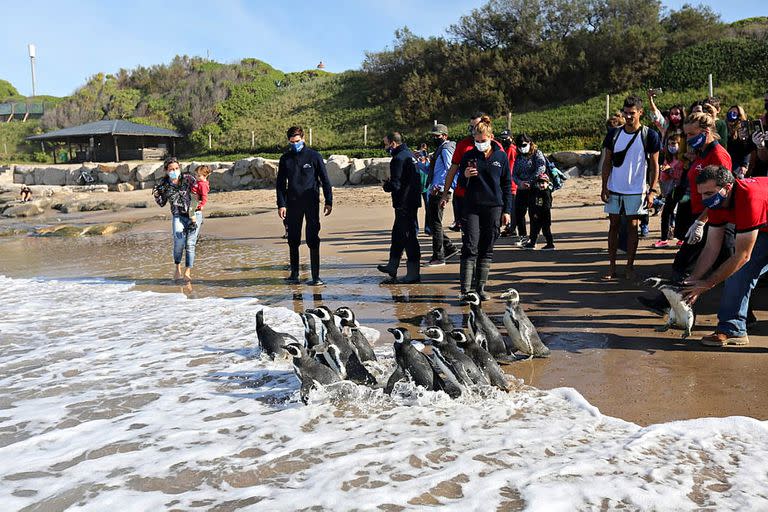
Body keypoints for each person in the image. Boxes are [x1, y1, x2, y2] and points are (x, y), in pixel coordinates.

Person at [683, 166, 768, 346]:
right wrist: (694, 280)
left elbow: (743, 255)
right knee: (737, 272)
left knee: (738, 263)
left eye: (709, 193)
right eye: (702, 194)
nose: (705, 200)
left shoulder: (749, 197)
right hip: (764, 227)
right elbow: (711, 247)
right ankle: (733, 329)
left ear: (727, 187)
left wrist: (708, 283)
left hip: (761, 217)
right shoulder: (717, 202)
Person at [600, 96, 661, 280]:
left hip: (636, 189)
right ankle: (611, 268)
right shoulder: (613, 134)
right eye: (626, 113)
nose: (628, 117)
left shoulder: (649, 135)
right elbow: (607, 162)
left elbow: (655, 166)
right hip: (615, 187)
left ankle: (629, 267)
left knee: (633, 226)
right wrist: (604, 186)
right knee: (613, 226)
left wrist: (652, 191)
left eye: (632, 113)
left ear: (640, 112)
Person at [456, 115, 513, 301]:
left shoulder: (501, 156)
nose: (479, 143)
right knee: (470, 245)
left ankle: (480, 288)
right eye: (476, 141)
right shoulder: (468, 156)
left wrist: (507, 211)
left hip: (494, 206)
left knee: (487, 247)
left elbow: (506, 185)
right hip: (472, 206)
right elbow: (462, 185)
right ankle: (465, 291)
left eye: (483, 140)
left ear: (491, 137)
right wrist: (464, 175)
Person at [276, 126, 333, 286]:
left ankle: (316, 277)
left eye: (298, 141)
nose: (295, 144)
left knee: (312, 238)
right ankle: (294, 274)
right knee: (293, 239)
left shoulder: (314, 156)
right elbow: (280, 184)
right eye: (292, 142)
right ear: (289, 141)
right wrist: (281, 204)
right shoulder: (285, 159)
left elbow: (325, 179)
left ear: (303, 139)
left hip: (311, 202)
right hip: (292, 204)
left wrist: (329, 200)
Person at [439, 112, 501, 231]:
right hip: (464, 196)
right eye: (471, 127)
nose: (473, 130)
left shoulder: (495, 146)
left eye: (475, 126)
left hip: (488, 198)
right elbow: (453, 169)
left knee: (488, 234)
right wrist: (445, 193)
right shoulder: (463, 145)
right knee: (469, 235)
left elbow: (503, 174)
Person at [377, 132, 422, 283]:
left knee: (409, 237)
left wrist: (386, 185)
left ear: (393, 143)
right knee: (397, 234)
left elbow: (396, 185)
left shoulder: (397, 159)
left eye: (385, 144)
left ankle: (413, 273)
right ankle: (392, 265)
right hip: (412, 200)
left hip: (404, 203)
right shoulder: (409, 154)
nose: (385, 147)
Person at [153, 157, 199, 282]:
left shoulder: (189, 179)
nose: (175, 171)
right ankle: (177, 268)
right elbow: (162, 203)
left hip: (194, 215)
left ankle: (188, 272)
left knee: (190, 244)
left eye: (177, 168)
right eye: (171, 169)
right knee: (179, 242)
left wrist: (194, 211)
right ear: (166, 171)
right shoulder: (164, 184)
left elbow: (198, 194)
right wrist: (157, 194)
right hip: (178, 216)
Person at [424, 124, 458, 266]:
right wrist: (419, 163)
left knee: (435, 224)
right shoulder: (440, 149)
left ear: (445, 136)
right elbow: (433, 171)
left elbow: (451, 169)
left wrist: (445, 189)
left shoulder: (445, 149)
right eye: (432, 136)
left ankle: (439, 256)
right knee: (432, 223)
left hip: (439, 191)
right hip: (436, 189)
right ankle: (449, 248)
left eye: (437, 136)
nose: (434, 138)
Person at [511, 133, 546, 245]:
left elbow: (541, 168)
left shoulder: (537, 153)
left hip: (534, 188)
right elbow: (514, 173)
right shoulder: (519, 156)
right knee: (519, 213)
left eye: (524, 144)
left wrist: (530, 181)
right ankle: (523, 237)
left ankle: (533, 237)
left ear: (530, 143)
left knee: (533, 214)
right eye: (519, 145)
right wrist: (520, 183)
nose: (522, 147)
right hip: (521, 188)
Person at [653, 134, 685, 248]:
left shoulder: (683, 159)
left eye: (673, 144)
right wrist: (664, 172)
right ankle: (664, 239)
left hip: (682, 190)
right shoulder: (668, 158)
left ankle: (682, 238)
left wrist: (671, 171)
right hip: (671, 190)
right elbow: (664, 178)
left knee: (682, 214)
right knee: (666, 213)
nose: (671, 146)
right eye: (669, 144)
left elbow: (682, 175)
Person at [524, 172, 555, 250]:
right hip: (537, 215)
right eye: (539, 183)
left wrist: (538, 213)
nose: (541, 185)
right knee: (535, 230)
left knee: (546, 231)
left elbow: (546, 206)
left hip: (544, 216)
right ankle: (532, 243)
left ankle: (550, 244)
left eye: (543, 183)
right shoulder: (538, 192)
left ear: (547, 184)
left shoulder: (546, 193)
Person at [497, 129, 518, 238]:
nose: (504, 140)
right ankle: (509, 226)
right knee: (508, 206)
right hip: (506, 182)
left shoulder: (512, 149)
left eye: (506, 138)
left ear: (511, 138)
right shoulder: (504, 149)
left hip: (511, 183)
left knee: (510, 207)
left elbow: (511, 167)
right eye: (502, 138)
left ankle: (511, 228)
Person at [724, 105, 754, 179]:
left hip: (737, 166)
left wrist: (744, 165)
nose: (731, 114)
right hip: (724, 162)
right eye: (730, 112)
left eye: (734, 113)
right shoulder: (723, 126)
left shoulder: (743, 129)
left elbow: (747, 149)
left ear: (739, 115)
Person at [748, 89, 768, 177]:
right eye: (766, 101)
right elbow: (764, 158)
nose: (766, 103)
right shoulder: (763, 122)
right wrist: (760, 146)